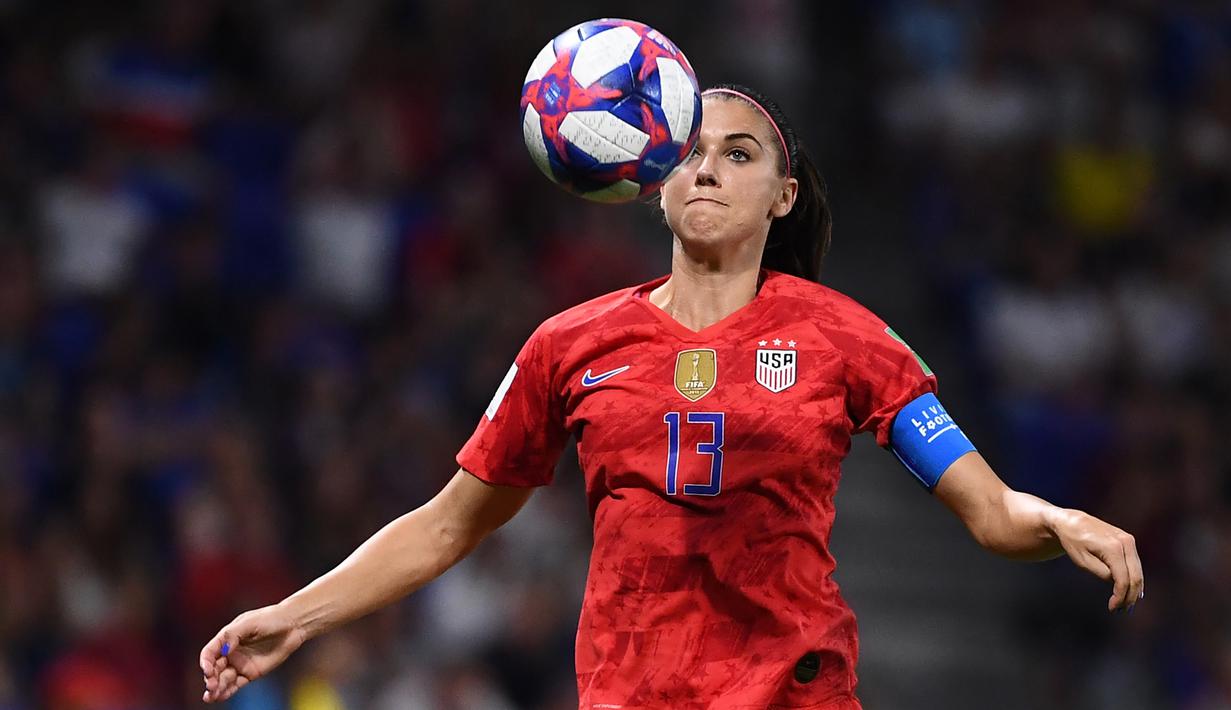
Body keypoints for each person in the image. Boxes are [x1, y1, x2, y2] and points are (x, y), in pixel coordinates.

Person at [199, 84, 1145, 708]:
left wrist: (1053, 517)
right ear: (650, 177)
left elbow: (990, 513)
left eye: (740, 154)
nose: (707, 168)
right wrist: (295, 614)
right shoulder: (569, 345)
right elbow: (448, 526)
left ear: (782, 196)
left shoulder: (845, 335)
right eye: (691, 150)